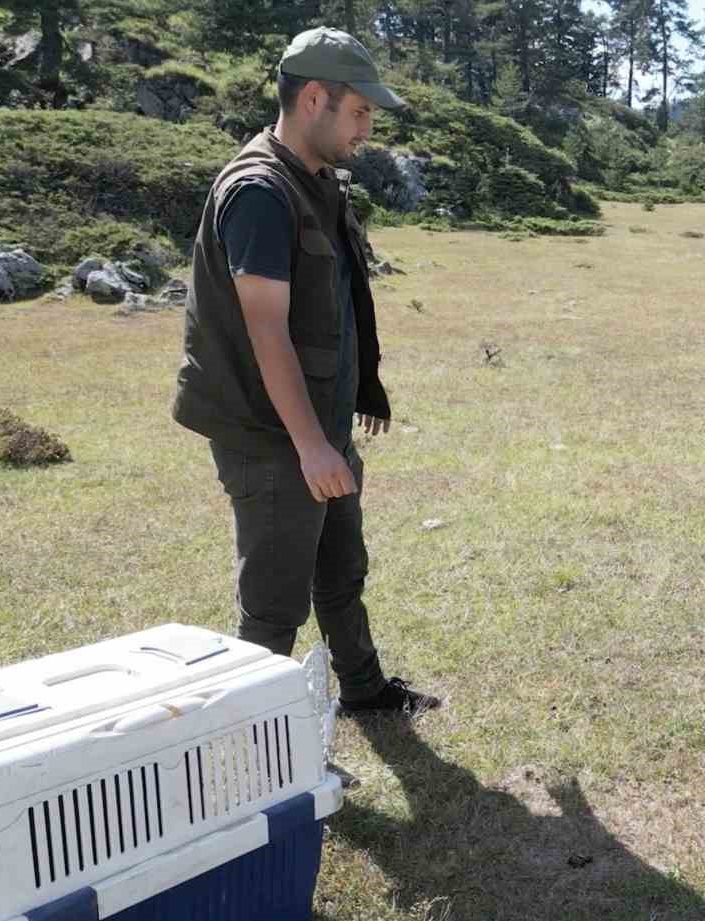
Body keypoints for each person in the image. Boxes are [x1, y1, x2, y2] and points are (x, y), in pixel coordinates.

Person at [173, 27, 439, 716]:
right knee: (273, 604)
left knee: (340, 568)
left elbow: (334, 304)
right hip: (273, 435)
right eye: (359, 111)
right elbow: (267, 330)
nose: (367, 127)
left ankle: (365, 689)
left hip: (317, 423)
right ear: (314, 98)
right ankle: (245, 742)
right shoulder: (261, 192)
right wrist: (311, 445)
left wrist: (349, 407)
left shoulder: (315, 182)